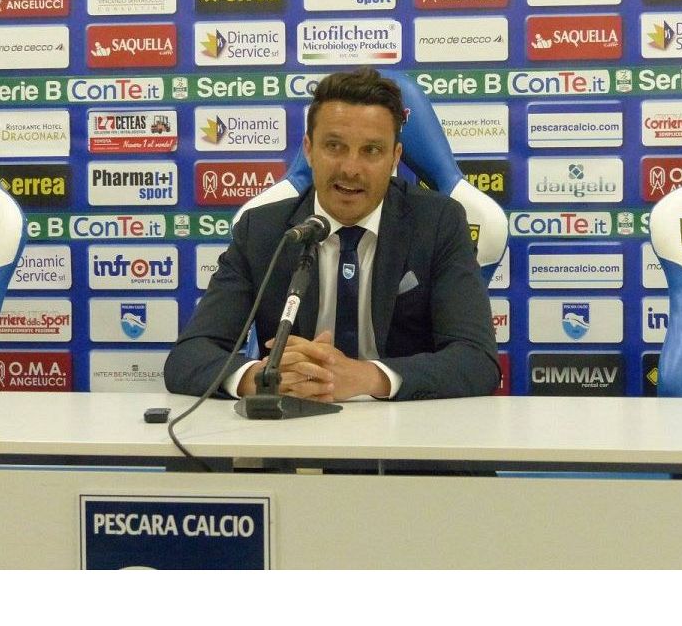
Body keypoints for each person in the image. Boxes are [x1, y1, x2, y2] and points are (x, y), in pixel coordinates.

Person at [164, 68, 500, 402]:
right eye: (334, 146)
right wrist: (265, 378)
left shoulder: (438, 223)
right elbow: (189, 357)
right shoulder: (263, 230)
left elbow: (477, 361)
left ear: (394, 158)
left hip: (402, 425)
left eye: (371, 151)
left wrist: (368, 377)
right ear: (309, 150)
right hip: (291, 424)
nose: (350, 168)